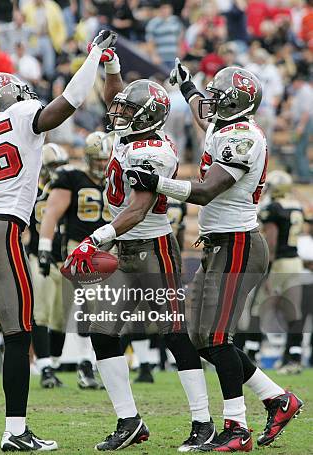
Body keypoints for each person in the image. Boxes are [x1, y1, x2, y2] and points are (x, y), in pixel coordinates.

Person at [0, 29, 118, 451]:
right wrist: (93, 60)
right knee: (18, 332)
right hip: (1, 228)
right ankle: (15, 431)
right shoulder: (24, 113)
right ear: (10, 97)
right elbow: (68, 102)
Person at [126, 61, 303, 451]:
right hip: (220, 243)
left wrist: (157, 182)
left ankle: (237, 429)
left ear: (237, 103)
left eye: (218, 99)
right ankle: (277, 399)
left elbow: (206, 190)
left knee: (217, 337)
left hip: (239, 242)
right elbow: (201, 117)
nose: (210, 104)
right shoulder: (224, 128)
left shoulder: (243, 137)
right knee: (201, 337)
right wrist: (189, 87)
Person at [64, 49, 214, 450]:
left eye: (129, 110)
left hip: (151, 247)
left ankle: (203, 421)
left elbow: (137, 208)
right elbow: (116, 96)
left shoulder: (154, 152)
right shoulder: (131, 133)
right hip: (123, 246)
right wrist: (111, 65)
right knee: (102, 332)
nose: (118, 113)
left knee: (173, 332)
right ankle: (128, 420)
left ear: (146, 117)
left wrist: (95, 238)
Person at [38, 131, 111, 390]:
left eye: (106, 159)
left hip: (107, 252)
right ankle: (84, 365)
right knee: (88, 308)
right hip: (78, 249)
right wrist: (45, 247)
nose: (102, 164)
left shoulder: (116, 181)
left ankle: (86, 363)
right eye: (97, 159)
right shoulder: (72, 177)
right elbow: (52, 214)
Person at [256, 171, 305, 374]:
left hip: (280, 264)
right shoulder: (296, 206)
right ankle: (293, 357)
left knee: (258, 308)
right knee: (294, 312)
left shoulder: (273, 208)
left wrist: (267, 269)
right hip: (296, 262)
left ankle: (251, 354)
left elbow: (272, 240)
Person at [27, 143, 68, 389]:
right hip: (39, 258)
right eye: (52, 166)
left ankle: (52, 364)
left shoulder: (69, 189)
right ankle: (44, 367)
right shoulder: (31, 190)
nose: (57, 172)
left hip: (65, 259)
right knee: (40, 312)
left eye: (60, 166)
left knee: (61, 319)